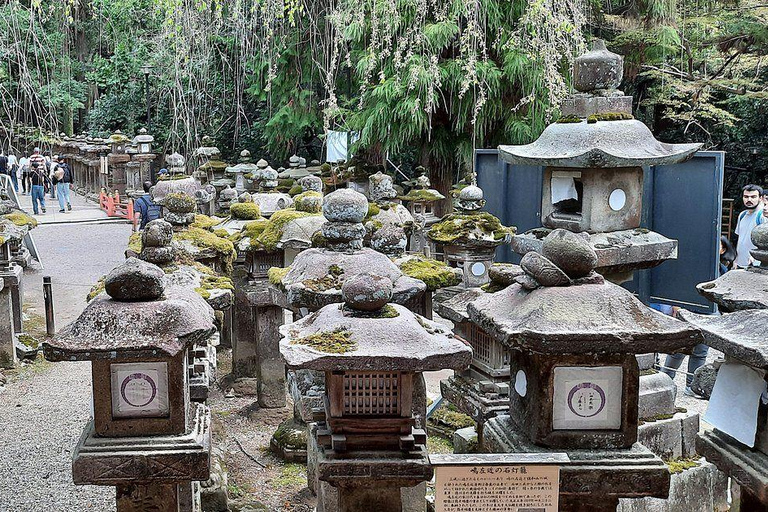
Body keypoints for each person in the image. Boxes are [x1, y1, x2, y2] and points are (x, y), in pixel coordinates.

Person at [734, 184, 763, 268]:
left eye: (753, 197)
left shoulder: (762, 216)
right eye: (746, 196)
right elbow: (740, 239)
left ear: (760, 198)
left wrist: (757, 259)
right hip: (740, 264)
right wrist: (736, 259)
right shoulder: (742, 215)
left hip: (755, 265)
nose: (749, 200)